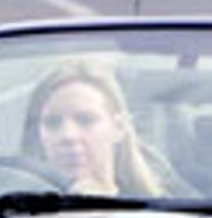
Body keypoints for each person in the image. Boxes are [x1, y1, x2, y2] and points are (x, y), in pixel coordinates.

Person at [21, 62, 167, 197]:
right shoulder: (17, 211)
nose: (68, 135)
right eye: (52, 123)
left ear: (119, 127)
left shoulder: (160, 211)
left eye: (85, 120)